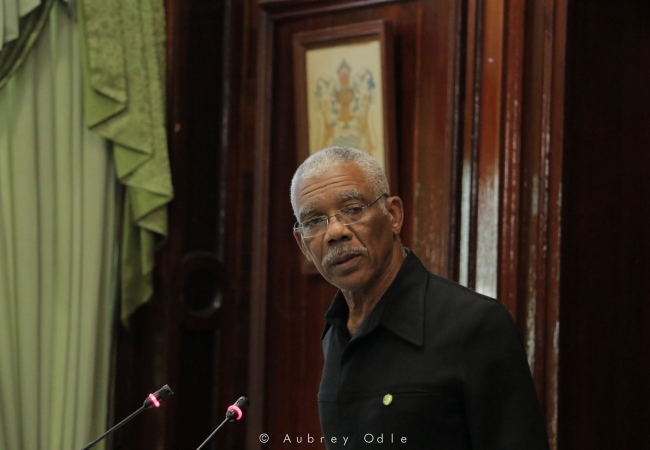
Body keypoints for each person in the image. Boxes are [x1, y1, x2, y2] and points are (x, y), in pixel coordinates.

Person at [290, 146, 550, 449]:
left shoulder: (474, 325)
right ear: (303, 244)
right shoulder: (336, 332)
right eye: (314, 221)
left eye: (353, 209)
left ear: (393, 215)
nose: (335, 232)